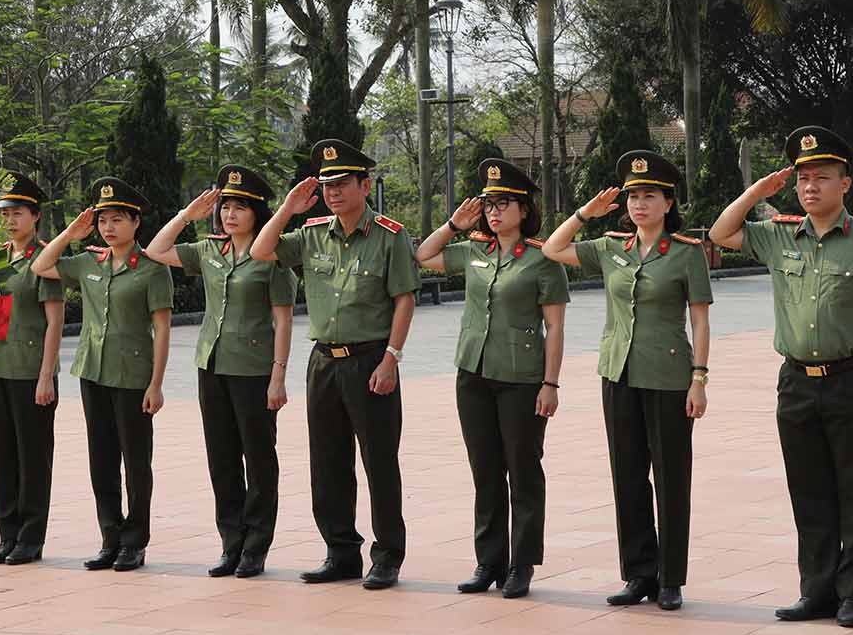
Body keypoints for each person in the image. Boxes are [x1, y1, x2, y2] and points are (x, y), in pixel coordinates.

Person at [709, 126, 853, 628]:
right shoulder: (779, 235)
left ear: (846, 184)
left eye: (822, 177)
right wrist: (757, 192)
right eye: (802, 179)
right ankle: (815, 590)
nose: (810, 187)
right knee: (809, 489)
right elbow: (721, 234)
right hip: (796, 381)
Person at [542, 150, 710, 611]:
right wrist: (584, 214)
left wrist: (699, 378)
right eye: (633, 196)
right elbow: (554, 249)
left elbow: (700, 320)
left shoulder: (685, 254)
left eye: (649, 196)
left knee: (671, 477)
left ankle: (671, 577)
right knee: (628, 476)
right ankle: (639, 574)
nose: (639, 204)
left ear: (667, 202)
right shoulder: (611, 247)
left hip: (669, 376)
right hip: (618, 373)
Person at [253, 139, 420, 591]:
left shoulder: (389, 235)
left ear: (365, 185)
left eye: (343, 183)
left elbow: (404, 300)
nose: (333, 192)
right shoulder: (311, 233)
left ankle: (387, 556)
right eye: (327, 184)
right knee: (327, 462)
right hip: (324, 360)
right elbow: (261, 252)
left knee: (378, 461)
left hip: (371, 360)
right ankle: (340, 551)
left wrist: (392, 358)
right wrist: (288, 208)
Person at [413, 158, 569, 599]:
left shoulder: (543, 260)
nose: (494, 212)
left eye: (504, 204)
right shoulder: (475, 250)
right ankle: (489, 561)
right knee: (484, 471)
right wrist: (452, 225)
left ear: (524, 209)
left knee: (522, 472)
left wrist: (550, 384)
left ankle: (521, 565)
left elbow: (554, 327)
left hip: (522, 379)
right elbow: (423, 255)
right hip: (474, 374)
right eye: (489, 204)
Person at [146, 167, 298, 579]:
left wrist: (278, 377)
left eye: (240, 207)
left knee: (259, 459)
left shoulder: (273, 258)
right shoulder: (209, 250)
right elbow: (157, 251)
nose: (230, 214)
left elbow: (283, 321)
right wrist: (186, 216)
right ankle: (231, 543)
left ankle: (256, 546)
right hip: (211, 365)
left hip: (253, 369)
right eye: (226, 207)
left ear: (256, 213)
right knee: (222, 459)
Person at [32, 177, 173, 573]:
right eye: (103, 220)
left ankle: (135, 540)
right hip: (93, 373)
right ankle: (110, 537)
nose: (108, 228)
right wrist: (71, 233)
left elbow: (162, 328)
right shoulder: (88, 263)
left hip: (133, 378)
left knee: (136, 460)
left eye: (117, 219)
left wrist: (157, 383)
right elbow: (40, 266)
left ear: (136, 222)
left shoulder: (151, 269)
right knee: (102, 460)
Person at [0, 176, 65, 566]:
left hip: (31, 370)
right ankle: (7, 533)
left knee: (32, 456)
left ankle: (31, 536)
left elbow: (55, 321)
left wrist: (47, 374)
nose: (10, 221)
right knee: (1, 454)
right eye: (5, 214)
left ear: (36, 216)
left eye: (18, 213)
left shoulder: (45, 259)